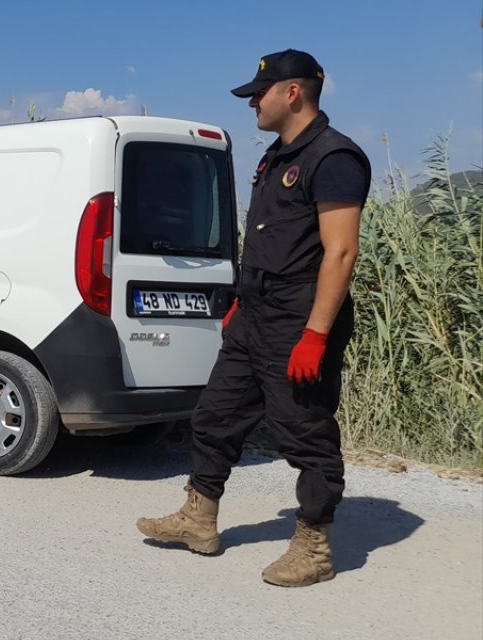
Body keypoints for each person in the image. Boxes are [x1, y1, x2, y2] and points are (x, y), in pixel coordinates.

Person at [136, 50, 371, 587]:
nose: (252, 104)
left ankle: (314, 546)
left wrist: (315, 335)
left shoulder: (333, 157)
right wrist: (243, 300)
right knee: (215, 416)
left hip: (298, 318)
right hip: (256, 314)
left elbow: (339, 253)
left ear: (292, 93)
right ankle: (198, 519)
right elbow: (271, 241)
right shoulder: (275, 156)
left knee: (304, 432)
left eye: (257, 94)